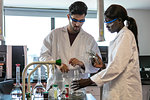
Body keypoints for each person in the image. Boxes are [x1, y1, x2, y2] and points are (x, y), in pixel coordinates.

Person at [71, 4, 142, 100]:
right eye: (105, 22)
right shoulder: (120, 37)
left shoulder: (126, 36)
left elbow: (117, 67)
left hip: (125, 93)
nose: (106, 25)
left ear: (120, 20)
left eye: (109, 22)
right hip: (117, 91)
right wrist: (104, 66)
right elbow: (117, 65)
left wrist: (89, 80)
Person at [40, 1, 104, 91]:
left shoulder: (89, 40)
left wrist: (81, 64)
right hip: (56, 85)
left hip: (77, 88)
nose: (78, 24)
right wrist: (57, 63)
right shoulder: (54, 34)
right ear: (68, 17)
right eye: (74, 20)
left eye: (81, 21)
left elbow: (96, 66)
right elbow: (43, 56)